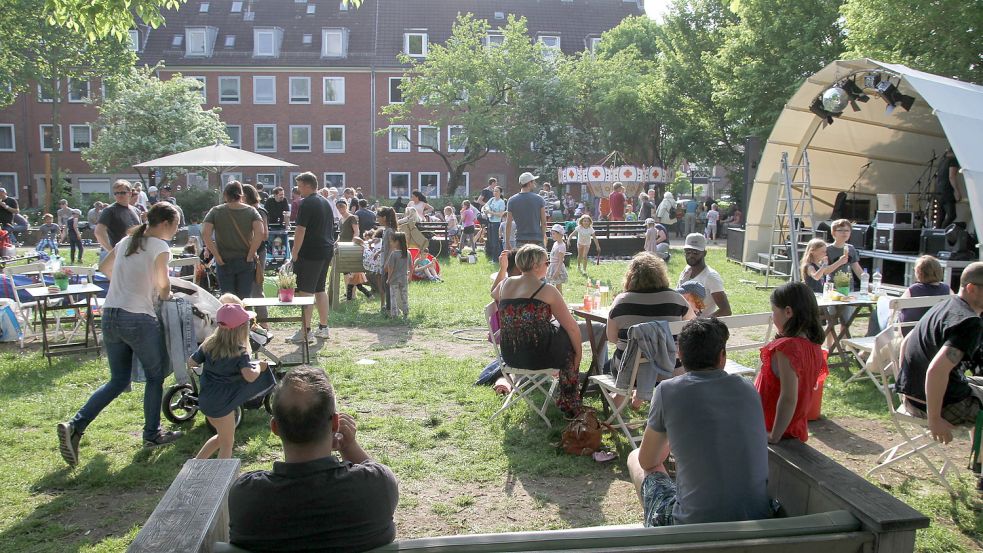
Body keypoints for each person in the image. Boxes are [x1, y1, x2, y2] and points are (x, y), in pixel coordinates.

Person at [57, 203, 184, 466]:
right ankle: (152, 434)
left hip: (111, 314)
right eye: (177, 224)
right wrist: (164, 294)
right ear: (166, 223)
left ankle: (76, 427)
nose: (178, 229)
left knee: (117, 381)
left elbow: (104, 268)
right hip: (138, 317)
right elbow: (163, 285)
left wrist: (129, 282)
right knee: (155, 375)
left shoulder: (127, 240)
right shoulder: (160, 247)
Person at [228, 366, 399, 553]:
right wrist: (350, 446)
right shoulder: (376, 485)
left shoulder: (246, 496)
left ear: (275, 427)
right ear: (335, 423)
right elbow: (375, 471)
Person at [627, 318, 772, 527]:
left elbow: (648, 461)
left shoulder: (667, 391)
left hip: (693, 525)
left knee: (634, 458)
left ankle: (658, 535)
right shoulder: (748, 388)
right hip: (756, 518)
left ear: (680, 355)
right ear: (722, 356)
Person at [897, 262, 983, 444]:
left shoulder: (945, 304)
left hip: (912, 398)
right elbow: (936, 371)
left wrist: (906, 386)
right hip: (936, 405)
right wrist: (934, 419)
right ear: (971, 288)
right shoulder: (969, 323)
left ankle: (979, 462)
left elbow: (906, 342)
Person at [493, 244, 583, 417]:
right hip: (538, 357)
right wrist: (579, 355)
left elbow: (493, 294)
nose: (548, 265)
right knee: (567, 336)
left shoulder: (505, 284)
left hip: (510, 356)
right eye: (546, 262)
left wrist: (502, 269)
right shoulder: (546, 290)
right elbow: (572, 327)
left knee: (559, 331)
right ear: (535, 266)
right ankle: (569, 401)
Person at [190, 300, 275, 459]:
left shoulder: (209, 345)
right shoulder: (239, 352)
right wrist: (259, 367)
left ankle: (196, 463)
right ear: (241, 329)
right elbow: (249, 376)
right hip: (223, 404)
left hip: (206, 400)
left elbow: (191, 362)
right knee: (228, 443)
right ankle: (223, 478)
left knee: (221, 439)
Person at [754, 282, 827, 443]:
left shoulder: (787, 347)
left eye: (773, 311)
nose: (772, 317)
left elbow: (788, 397)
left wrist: (774, 436)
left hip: (774, 430)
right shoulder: (814, 346)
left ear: (788, 311)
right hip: (795, 428)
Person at [607, 252, 693, 372]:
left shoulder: (621, 301)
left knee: (608, 366)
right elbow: (691, 325)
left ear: (630, 276)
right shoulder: (676, 298)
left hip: (631, 373)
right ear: (661, 275)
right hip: (671, 370)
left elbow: (612, 338)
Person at [290, 172, 335, 343]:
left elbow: (300, 230)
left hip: (310, 252)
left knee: (305, 291)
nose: (298, 189)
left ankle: (305, 330)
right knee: (319, 289)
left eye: (300, 186)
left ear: (308, 185)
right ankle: (323, 327)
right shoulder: (325, 202)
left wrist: (294, 253)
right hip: (325, 250)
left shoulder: (306, 203)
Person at [202, 181, 264, 300]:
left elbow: (205, 233)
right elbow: (260, 233)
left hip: (224, 260)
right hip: (245, 259)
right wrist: (251, 254)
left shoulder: (215, 211)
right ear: (241, 195)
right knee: (245, 299)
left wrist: (217, 256)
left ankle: (229, 319)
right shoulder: (251, 211)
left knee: (227, 300)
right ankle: (245, 318)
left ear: (225, 194)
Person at [678, 233, 731, 317]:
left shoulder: (711, 277)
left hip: (699, 327)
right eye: (688, 252)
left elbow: (725, 311)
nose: (691, 255)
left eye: (695, 252)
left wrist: (702, 322)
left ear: (704, 253)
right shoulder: (687, 270)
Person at [898, 255, 953, 331]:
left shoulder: (913, 289)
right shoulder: (947, 289)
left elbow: (898, 305)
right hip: (937, 331)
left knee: (883, 303)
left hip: (912, 332)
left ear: (919, 273)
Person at [242, 184, 270, 329]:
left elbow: (265, 235)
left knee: (257, 287)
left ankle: (263, 322)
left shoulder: (259, 211)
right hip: (249, 252)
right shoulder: (245, 211)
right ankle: (250, 321)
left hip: (258, 252)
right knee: (248, 288)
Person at [95, 180, 142, 258]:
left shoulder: (136, 210)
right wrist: (111, 252)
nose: (119, 195)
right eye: (116, 193)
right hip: (120, 254)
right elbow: (99, 232)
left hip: (136, 254)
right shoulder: (109, 210)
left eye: (123, 192)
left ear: (130, 193)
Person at [504, 172, 548, 248]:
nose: (534, 182)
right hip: (537, 239)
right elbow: (544, 222)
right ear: (529, 183)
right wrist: (543, 236)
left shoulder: (512, 200)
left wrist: (507, 242)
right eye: (533, 181)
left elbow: (508, 223)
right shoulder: (539, 199)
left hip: (521, 239)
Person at [826, 219, 863, 291]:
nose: (844, 233)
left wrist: (866, 283)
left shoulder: (851, 248)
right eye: (841, 230)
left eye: (847, 230)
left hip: (848, 288)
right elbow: (825, 271)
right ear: (833, 233)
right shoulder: (827, 250)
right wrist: (840, 262)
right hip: (833, 288)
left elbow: (857, 268)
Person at [376, 207, 398, 315]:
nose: (377, 219)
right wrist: (378, 252)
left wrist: (387, 264)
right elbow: (385, 246)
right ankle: (390, 309)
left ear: (384, 217)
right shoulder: (386, 230)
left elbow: (393, 248)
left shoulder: (389, 231)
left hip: (389, 263)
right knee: (386, 286)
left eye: (378, 217)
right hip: (385, 262)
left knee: (389, 287)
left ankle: (390, 310)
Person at [385, 231, 409, 319]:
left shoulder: (393, 254)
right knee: (404, 296)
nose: (391, 243)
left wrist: (388, 278)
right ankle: (406, 313)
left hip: (394, 279)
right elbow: (411, 266)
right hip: (404, 278)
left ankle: (394, 315)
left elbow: (390, 268)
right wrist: (409, 276)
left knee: (393, 297)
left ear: (397, 242)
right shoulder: (408, 253)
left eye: (392, 241)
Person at [936, 148, 961, 228]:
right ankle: (942, 232)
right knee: (952, 215)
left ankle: (936, 235)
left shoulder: (942, 160)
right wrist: (957, 191)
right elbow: (951, 176)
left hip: (938, 190)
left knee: (940, 217)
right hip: (946, 191)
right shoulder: (953, 161)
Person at [483, 185, 506, 261]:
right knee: (491, 241)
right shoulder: (492, 199)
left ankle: (496, 259)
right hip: (490, 221)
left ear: (500, 193)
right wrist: (486, 211)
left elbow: (501, 214)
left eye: (497, 191)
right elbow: (486, 206)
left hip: (497, 223)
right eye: (494, 191)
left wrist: (491, 212)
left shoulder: (501, 202)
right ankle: (494, 257)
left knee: (496, 241)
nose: (495, 192)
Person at [546, 224, 568, 293]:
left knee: (558, 287)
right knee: (551, 284)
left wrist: (557, 271)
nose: (552, 235)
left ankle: (560, 300)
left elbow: (560, 261)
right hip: (552, 265)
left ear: (560, 234)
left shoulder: (561, 246)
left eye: (553, 234)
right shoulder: (555, 243)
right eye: (551, 234)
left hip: (557, 267)